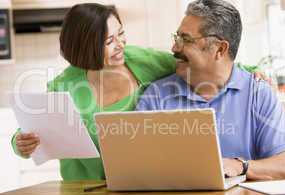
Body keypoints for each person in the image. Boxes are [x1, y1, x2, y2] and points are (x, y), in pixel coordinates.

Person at [11, 3, 262, 181]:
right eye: (109, 41)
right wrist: (20, 143)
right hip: (83, 188)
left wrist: (249, 70)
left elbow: (201, 62)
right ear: (85, 46)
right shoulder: (63, 86)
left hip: (135, 186)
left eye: (121, 34)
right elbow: (33, 131)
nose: (120, 45)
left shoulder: (141, 60)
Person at [136, 0, 285, 181]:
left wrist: (240, 165)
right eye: (177, 38)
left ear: (220, 49)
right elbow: (133, 165)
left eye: (185, 40)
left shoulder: (258, 94)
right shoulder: (156, 96)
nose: (174, 47)